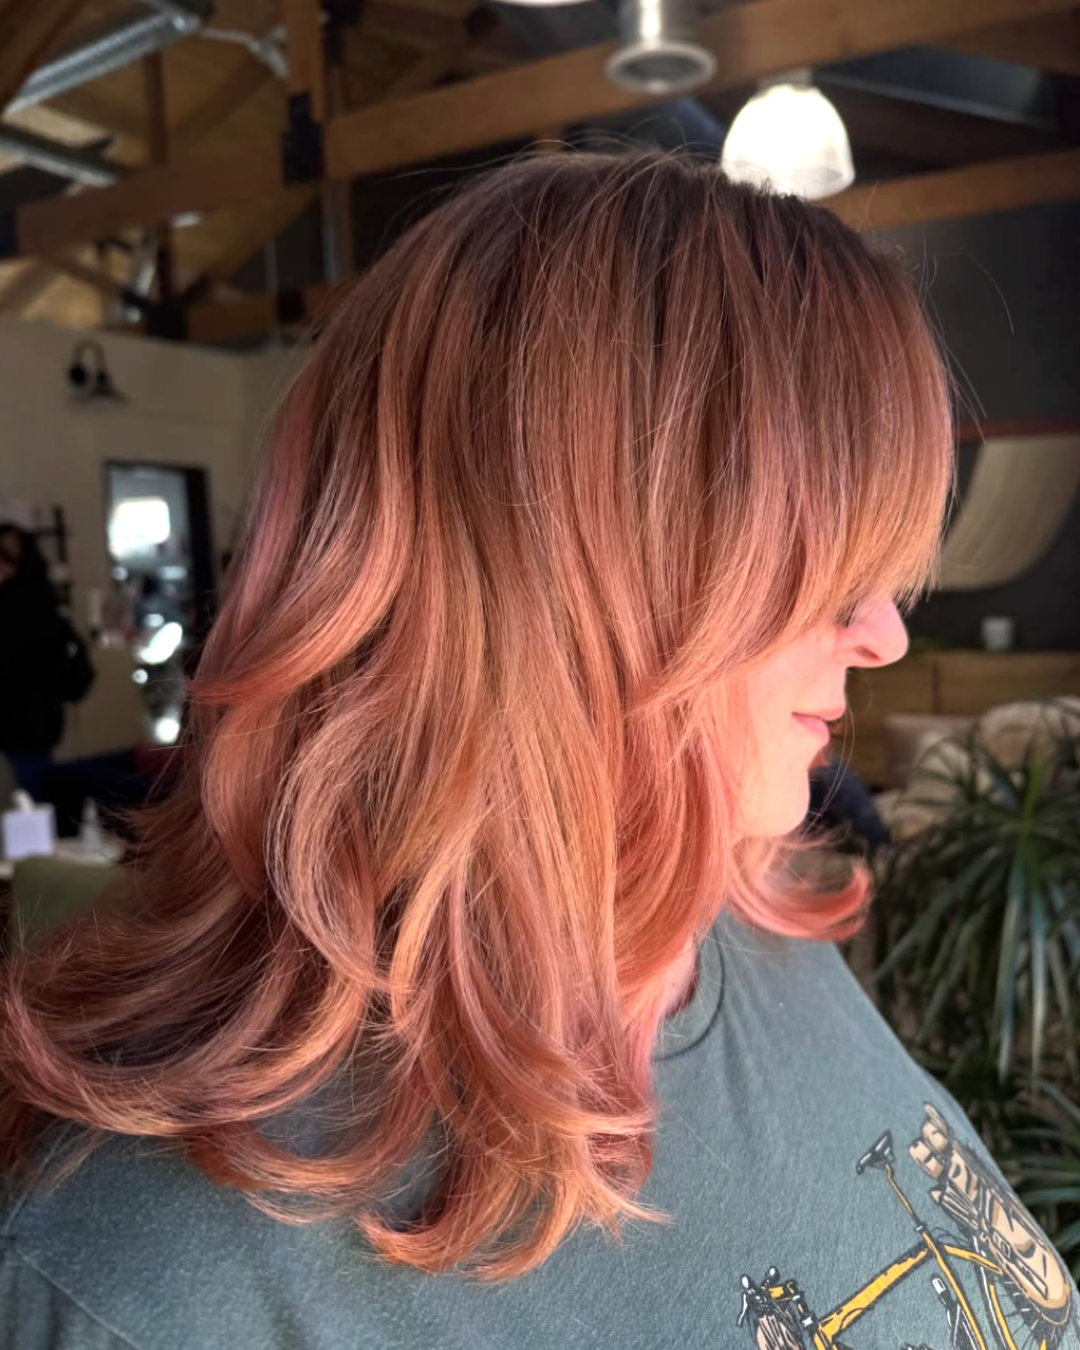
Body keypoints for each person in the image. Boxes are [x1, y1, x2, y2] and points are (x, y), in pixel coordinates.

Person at [1, 153, 1076, 1350]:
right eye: (826, 575)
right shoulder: (151, 1283)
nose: (884, 634)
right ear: (570, 588)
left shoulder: (747, 931)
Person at [0, 524, 89, 801]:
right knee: (34, 787)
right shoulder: (40, 597)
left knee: (32, 792)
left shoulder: (19, 603)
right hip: (38, 717)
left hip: (23, 718)